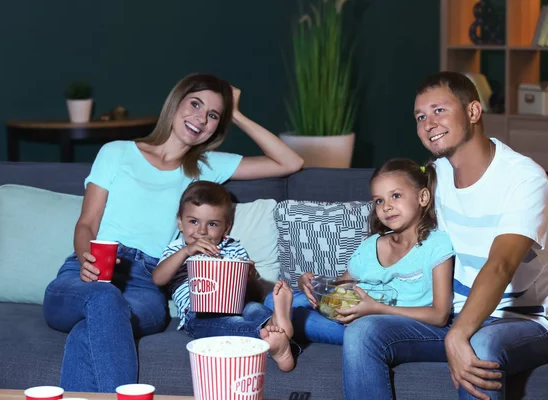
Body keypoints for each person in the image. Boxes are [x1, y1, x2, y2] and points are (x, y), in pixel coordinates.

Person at [42, 73, 304, 392]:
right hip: (90, 272)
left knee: (96, 323)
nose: (200, 118)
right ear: (175, 102)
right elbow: (87, 223)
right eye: (195, 104)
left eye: (212, 115)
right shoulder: (116, 152)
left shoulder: (204, 166)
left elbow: (290, 161)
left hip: (146, 284)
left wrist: (236, 114)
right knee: (103, 298)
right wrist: (88, 260)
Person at [342, 71, 548, 400]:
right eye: (420, 116)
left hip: (525, 320)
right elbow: (402, 231)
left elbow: (500, 264)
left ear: (473, 112)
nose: (428, 124)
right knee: (363, 331)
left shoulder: (524, 178)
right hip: (452, 315)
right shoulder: (435, 177)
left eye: (439, 110)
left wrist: (459, 335)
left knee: (479, 344)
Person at [270, 159, 454, 346]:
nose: (386, 206)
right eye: (379, 201)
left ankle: (278, 326)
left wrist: (376, 309)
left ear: (423, 197)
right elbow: (338, 287)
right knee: (275, 299)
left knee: (292, 313)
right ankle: (278, 325)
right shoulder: (371, 245)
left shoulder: (436, 244)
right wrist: (310, 284)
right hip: (350, 314)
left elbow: (439, 315)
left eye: (396, 196)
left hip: (384, 327)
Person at [153, 180, 295, 371]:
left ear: (226, 228)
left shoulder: (233, 248)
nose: (202, 231)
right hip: (198, 313)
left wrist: (249, 277)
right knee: (230, 324)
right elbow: (158, 278)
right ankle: (274, 339)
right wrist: (187, 252)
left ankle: (274, 323)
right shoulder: (177, 249)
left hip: (238, 305)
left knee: (254, 308)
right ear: (180, 222)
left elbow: (254, 295)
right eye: (194, 221)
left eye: (212, 224)